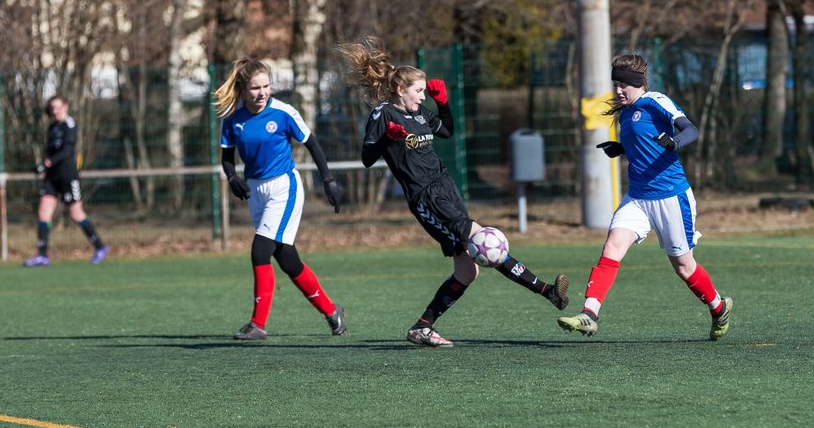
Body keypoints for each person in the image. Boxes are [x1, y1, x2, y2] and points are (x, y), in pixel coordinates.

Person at [342, 37, 569, 347]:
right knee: (483, 241)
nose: (422, 97)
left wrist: (443, 102)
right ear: (400, 90)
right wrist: (387, 139)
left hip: (445, 187)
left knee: (467, 271)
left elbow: (446, 130)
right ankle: (546, 291)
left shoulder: (420, 114)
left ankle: (422, 327)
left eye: (424, 92)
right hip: (425, 198)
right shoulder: (384, 115)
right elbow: (367, 159)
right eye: (419, 91)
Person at [558, 54, 733, 340]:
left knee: (684, 266)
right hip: (637, 198)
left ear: (637, 84)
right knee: (612, 248)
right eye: (615, 84)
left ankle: (718, 307)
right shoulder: (626, 112)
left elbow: (691, 130)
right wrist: (622, 149)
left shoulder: (655, 101)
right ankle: (589, 314)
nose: (617, 91)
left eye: (622, 85)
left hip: (671, 197)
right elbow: (644, 144)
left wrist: (674, 142)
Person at [215, 57, 347, 341]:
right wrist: (233, 178)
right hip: (256, 191)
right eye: (255, 88)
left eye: (266, 86)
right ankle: (332, 311)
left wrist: (329, 181)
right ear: (242, 88)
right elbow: (227, 157)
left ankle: (257, 324)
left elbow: (312, 143)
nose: (262, 92)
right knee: (288, 260)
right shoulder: (232, 118)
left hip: (284, 188)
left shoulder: (283, 112)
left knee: (259, 251)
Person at [23, 95, 108, 266]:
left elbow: (67, 151)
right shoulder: (52, 126)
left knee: (76, 214)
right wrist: (45, 165)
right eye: (52, 107)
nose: (55, 110)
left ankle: (100, 247)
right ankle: (42, 255)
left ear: (66, 106)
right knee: (43, 212)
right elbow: (51, 151)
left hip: (68, 176)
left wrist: (47, 163)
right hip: (52, 177)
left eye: (58, 107)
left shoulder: (70, 125)